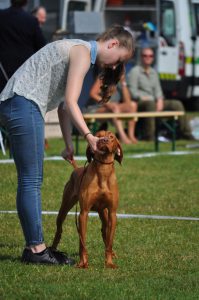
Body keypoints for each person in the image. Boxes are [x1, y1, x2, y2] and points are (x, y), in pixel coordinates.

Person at [0, 25, 135, 265]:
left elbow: (64, 106)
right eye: (119, 60)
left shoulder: (79, 50)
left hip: (20, 102)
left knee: (31, 178)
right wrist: (88, 136)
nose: (115, 66)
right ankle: (36, 249)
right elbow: (73, 102)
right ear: (113, 43)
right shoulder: (82, 52)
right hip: (24, 102)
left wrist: (67, 144)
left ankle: (36, 247)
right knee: (31, 180)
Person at [127, 47, 193, 141]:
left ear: (153, 58)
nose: (148, 57)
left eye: (150, 56)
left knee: (177, 104)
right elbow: (132, 91)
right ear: (141, 57)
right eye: (145, 55)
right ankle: (149, 136)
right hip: (140, 102)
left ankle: (186, 133)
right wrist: (143, 97)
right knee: (150, 104)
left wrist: (160, 100)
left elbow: (158, 91)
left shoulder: (154, 72)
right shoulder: (135, 71)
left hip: (154, 101)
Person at [0, 0, 46, 93]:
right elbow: (41, 46)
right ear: (26, 2)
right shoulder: (31, 20)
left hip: (2, 68)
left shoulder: (1, 16)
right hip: (23, 70)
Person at [89, 72, 138, 144]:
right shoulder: (103, 76)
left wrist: (123, 82)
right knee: (115, 108)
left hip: (113, 109)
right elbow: (92, 94)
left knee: (133, 105)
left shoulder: (120, 80)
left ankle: (131, 135)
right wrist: (107, 103)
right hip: (96, 108)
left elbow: (127, 101)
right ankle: (123, 137)